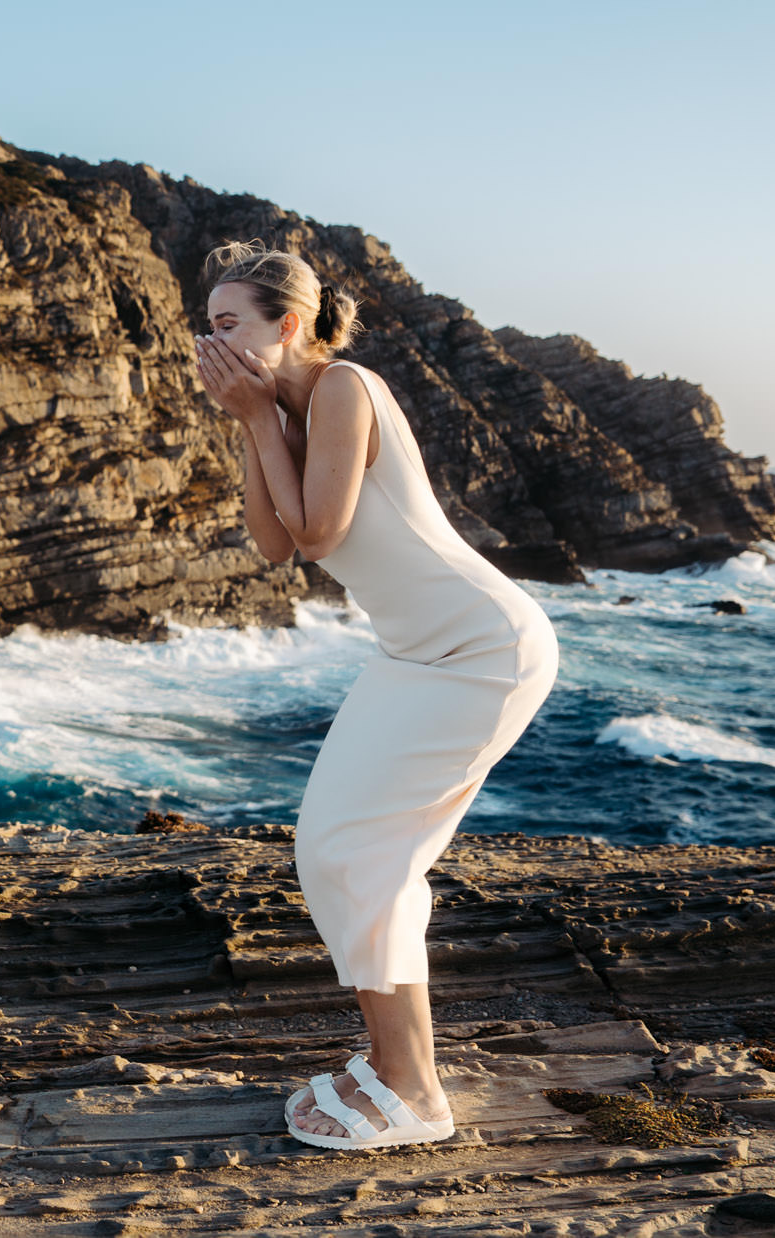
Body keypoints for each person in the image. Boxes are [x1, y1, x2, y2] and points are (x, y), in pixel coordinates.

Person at [191, 242, 556, 1150]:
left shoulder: (345, 388)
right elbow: (274, 547)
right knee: (334, 845)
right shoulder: (280, 408)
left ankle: (417, 1089)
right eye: (209, 328)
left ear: (290, 324)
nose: (216, 341)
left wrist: (258, 419)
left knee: (368, 852)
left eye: (230, 323)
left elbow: (319, 534)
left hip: (480, 647)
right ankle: (394, 1062)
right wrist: (250, 420)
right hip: (414, 651)